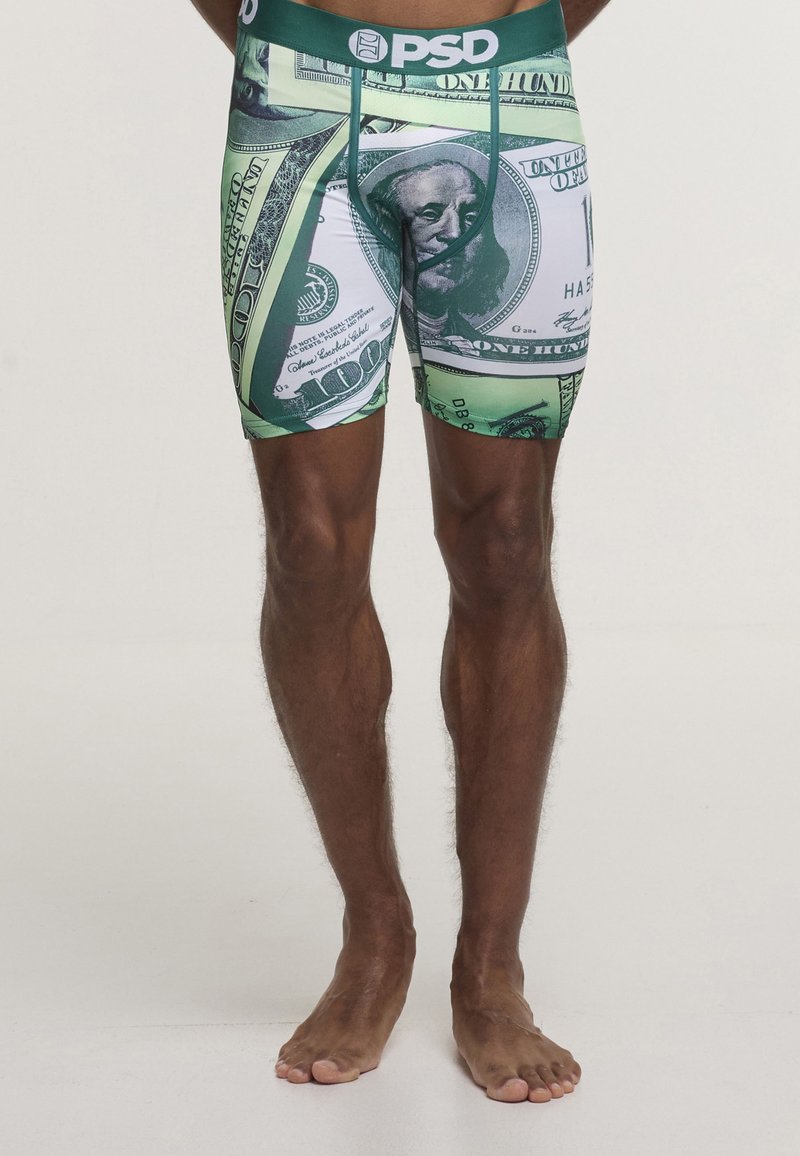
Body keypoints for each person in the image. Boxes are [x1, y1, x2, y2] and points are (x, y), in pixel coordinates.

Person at [190, 0, 610, 1103]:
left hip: (503, 91)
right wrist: (298, 54)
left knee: (505, 541)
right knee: (309, 544)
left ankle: (491, 966)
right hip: (300, 91)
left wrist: (497, 51)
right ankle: (374, 930)